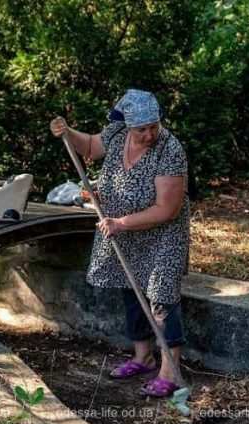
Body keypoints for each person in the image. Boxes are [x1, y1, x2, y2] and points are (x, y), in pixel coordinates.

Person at [50, 89, 189, 398]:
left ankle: (170, 370)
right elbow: (88, 146)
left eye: (154, 125)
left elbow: (167, 209)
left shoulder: (170, 149)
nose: (150, 133)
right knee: (131, 289)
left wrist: (120, 223)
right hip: (124, 231)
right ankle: (143, 357)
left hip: (161, 234)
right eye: (142, 129)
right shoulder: (116, 133)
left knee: (162, 295)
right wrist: (67, 132)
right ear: (126, 124)